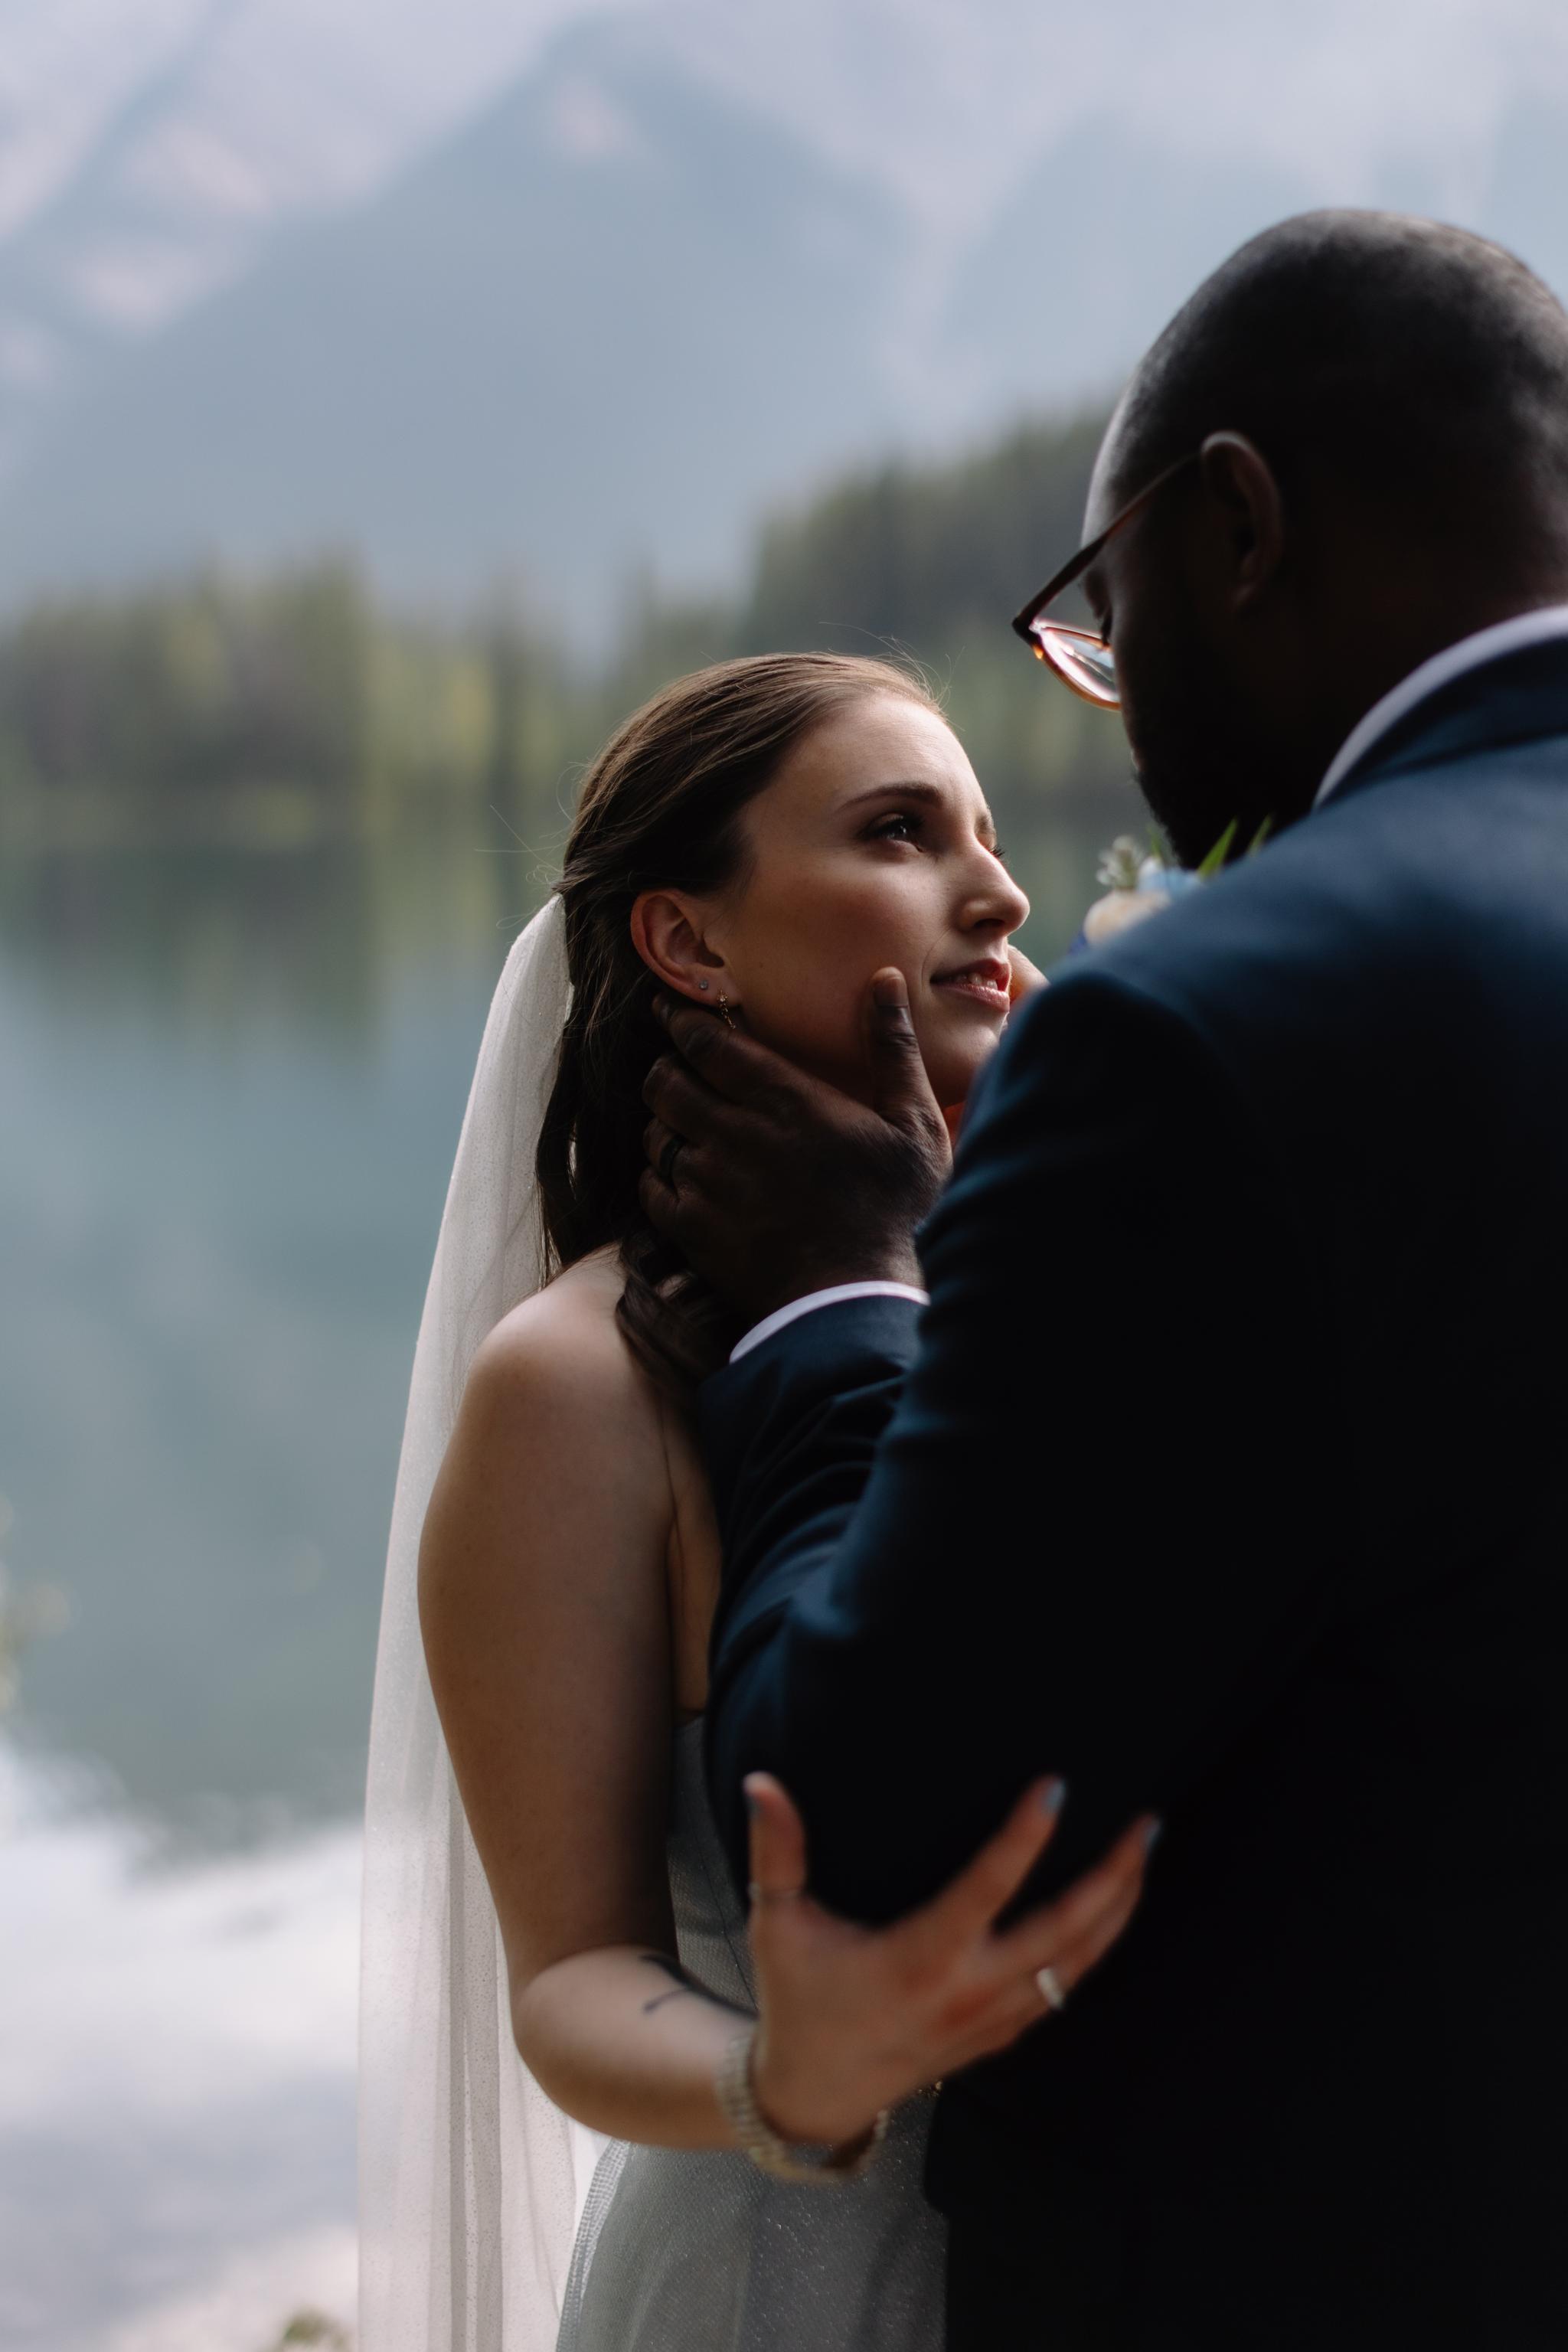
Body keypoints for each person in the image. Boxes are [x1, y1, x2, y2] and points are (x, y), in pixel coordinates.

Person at [640, 211, 1568, 2350]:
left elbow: (857, 1829)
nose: (1109, 715)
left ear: (1232, 524)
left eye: (1103, 617)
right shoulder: (565, 1389)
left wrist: (832, 1301)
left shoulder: (1210, 1038)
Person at [358, 652, 1155, 2352]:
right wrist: (773, 2074)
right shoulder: (578, 1387)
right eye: (896, 831)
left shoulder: (1063, 1283)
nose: (1000, 888)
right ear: (687, 940)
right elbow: (570, 1984)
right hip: (788, 2286)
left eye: (989, 835)